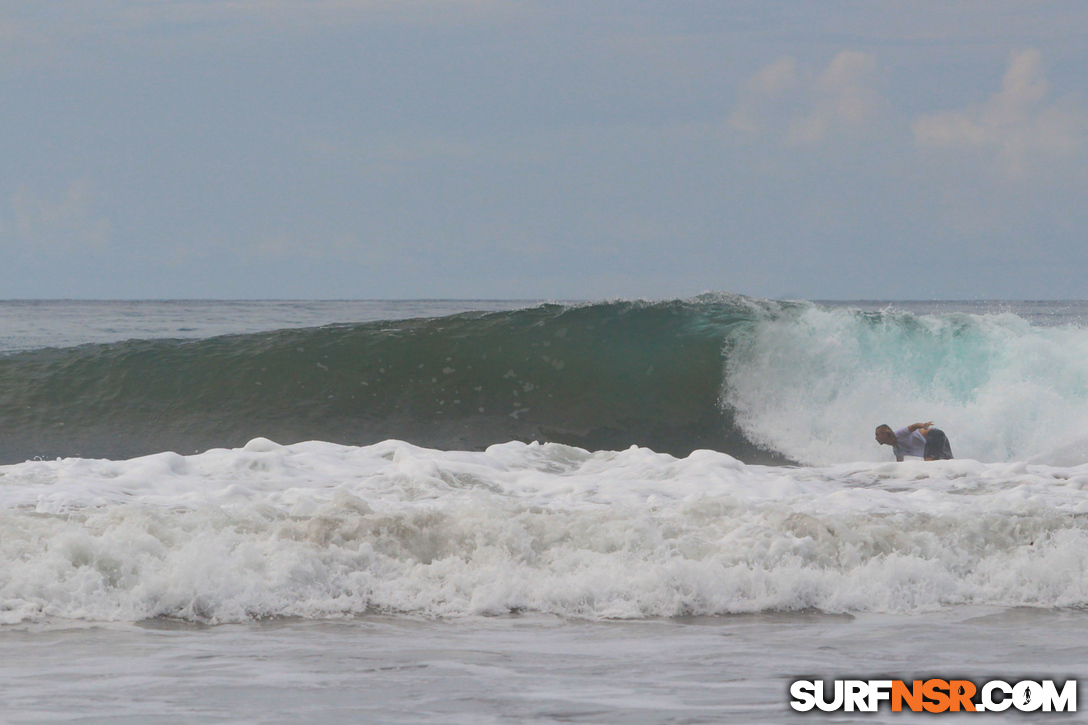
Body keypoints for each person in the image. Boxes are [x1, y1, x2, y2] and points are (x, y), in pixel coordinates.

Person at [875, 421, 953, 461]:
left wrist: (924, 425)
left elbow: (914, 426)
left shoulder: (899, 433)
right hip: (938, 440)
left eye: (877, 435)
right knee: (949, 462)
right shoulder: (897, 451)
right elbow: (900, 466)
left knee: (929, 462)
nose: (876, 438)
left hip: (935, 435)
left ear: (885, 434)